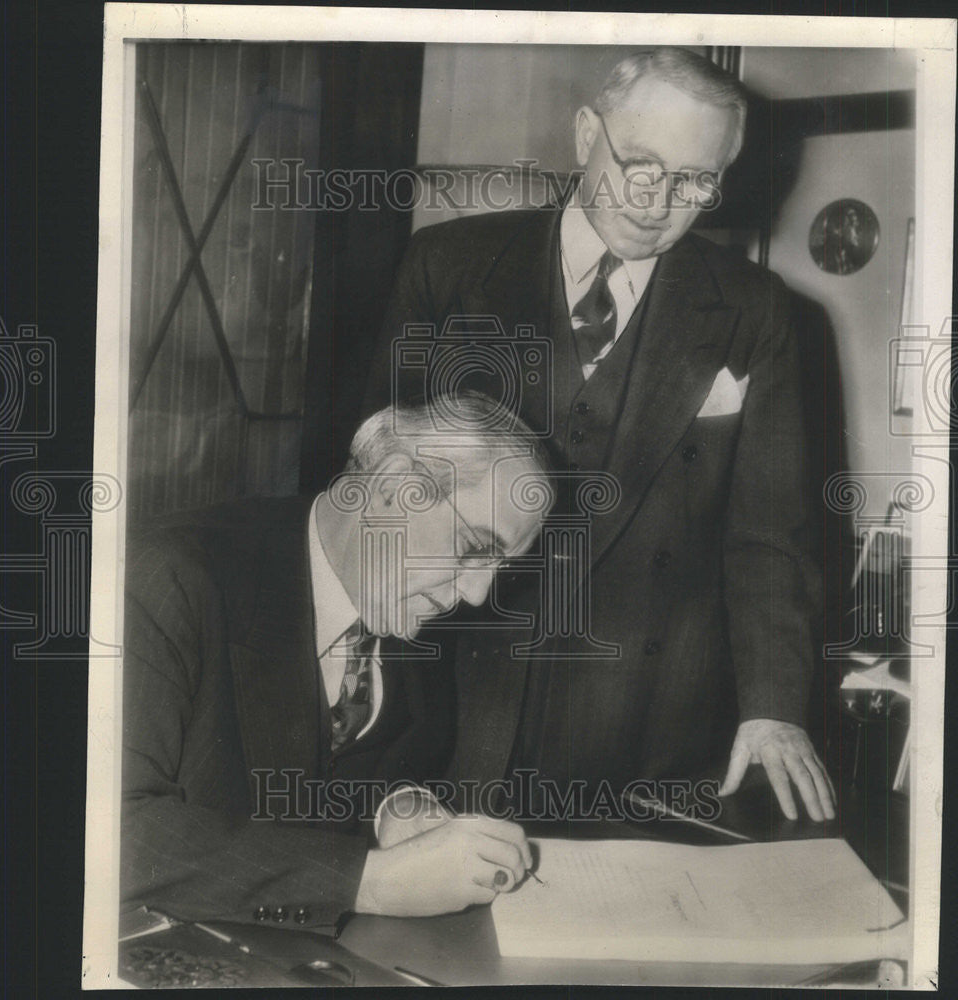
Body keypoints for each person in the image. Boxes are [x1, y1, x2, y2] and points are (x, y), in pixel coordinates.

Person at [366, 47, 835, 822]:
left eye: (694, 181)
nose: (657, 201)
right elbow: (374, 484)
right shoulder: (447, 267)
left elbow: (769, 537)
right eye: (639, 162)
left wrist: (773, 705)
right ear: (587, 134)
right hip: (455, 686)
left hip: (645, 716)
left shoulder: (757, 311)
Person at [120, 392, 551, 928]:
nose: (479, 593)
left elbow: (368, 761)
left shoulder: (399, 597)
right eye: (473, 547)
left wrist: (399, 810)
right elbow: (113, 834)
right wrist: (369, 882)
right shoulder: (164, 579)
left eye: (499, 566)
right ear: (395, 484)